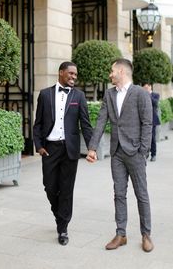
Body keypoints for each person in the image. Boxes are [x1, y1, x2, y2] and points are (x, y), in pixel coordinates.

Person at [86, 58, 154, 252]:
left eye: (112, 71)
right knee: (119, 194)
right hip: (116, 152)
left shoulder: (140, 94)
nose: (110, 74)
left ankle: (146, 234)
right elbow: (101, 121)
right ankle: (121, 234)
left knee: (141, 194)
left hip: (135, 152)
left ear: (122, 72)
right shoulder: (109, 94)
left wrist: (143, 151)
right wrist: (92, 148)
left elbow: (147, 124)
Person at [33, 61, 93, 246]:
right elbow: (38, 124)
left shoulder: (79, 96)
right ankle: (60, 215)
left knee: (66, 190)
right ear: (61, 73)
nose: (74, 77)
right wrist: (39, 146)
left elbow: (85, 124)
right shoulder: (45, 95)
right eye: (71, 73)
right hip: (50, 149)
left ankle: (63, 227)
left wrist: (92, 148)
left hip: (70, 149)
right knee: (49, 186)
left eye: (76, 74)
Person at [143, 83, 160, 162]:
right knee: (144, 138)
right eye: (144, 87)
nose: (145, 89)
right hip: (143, 120)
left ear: (150, 87)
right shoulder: (141, 95)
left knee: (152, 138)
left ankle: (153, 154)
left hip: (152, 120)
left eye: (147, 87)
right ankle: (145, 154)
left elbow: (155, 103)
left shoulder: (155, 95)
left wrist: (148, 94)